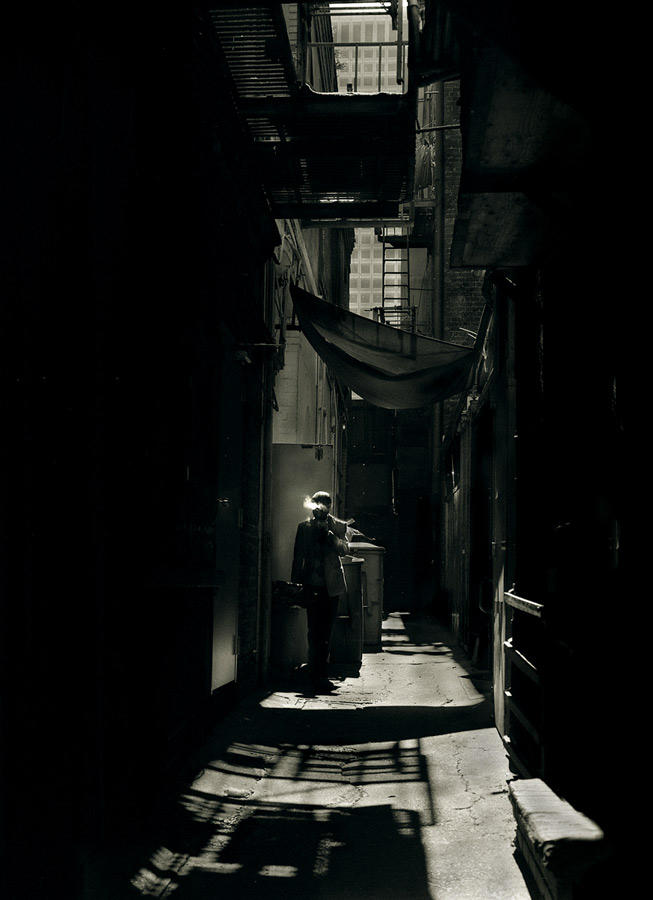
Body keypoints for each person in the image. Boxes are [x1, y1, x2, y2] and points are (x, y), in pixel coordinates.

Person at [291, 491, 349, 692]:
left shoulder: (337, 526)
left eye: (325, 505)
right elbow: (298, 557)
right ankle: (315, 674)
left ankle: (321, 674)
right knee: (314, 631)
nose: (321, 509)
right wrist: (296, 583)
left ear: (329, 507)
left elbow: (345, 550)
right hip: (312, 585)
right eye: (318, 505)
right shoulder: (304, 527)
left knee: (325, 632)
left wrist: (332, 538)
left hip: (331, 588)